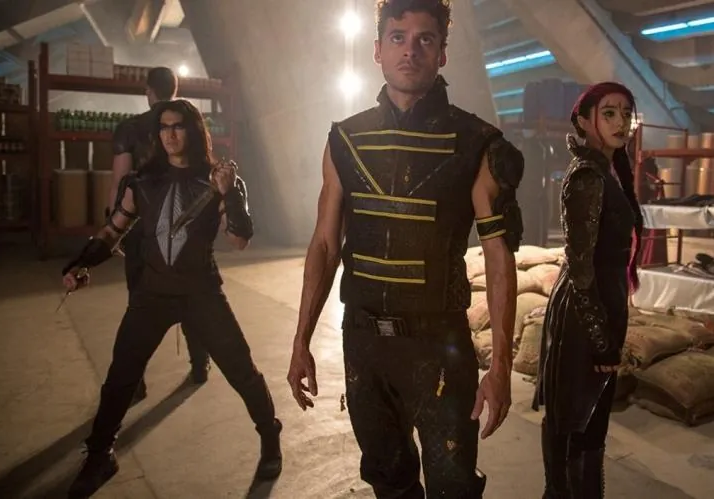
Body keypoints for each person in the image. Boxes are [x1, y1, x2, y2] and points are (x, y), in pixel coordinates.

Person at [286, 1, 524, 497]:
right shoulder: (345, 140)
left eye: (425, 39)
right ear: (377, 50)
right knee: (388, 481)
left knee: (453, 487)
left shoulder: (478, 143)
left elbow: (499, 259)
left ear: (442, 54)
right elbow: (326, 244)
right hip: (364, 344)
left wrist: (501, 367)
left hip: (440, 348)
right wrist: (301, 339)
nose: (409, 51)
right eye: (398, 37)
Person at [63, 99, 282, 498]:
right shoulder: (142, 182)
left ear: (194, 131)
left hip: (202, 293)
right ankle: (99, 456)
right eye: (163, 127)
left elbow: (239, 240)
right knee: (121, 376)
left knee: (242, 371)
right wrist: (82, 262)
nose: (170, 134)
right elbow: (112, 231)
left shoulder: (218, 180)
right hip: (152, 294)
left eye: (178, 126)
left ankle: (270, 437)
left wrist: (229, 194)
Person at [532, 82, 643, 498]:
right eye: (609, 113)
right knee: (576, 427)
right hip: (583, 316)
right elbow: (581, 269)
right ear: (584, 121)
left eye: (626, 113)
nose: (621, 122)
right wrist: (600, 341)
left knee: (589, 427)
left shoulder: (607, 172)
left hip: (601, 307)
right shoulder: (586, 177)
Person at [109, 67, 211, 400]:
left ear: (148, 91)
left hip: (142, 229)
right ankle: (199, 365)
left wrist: (115, 227)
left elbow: (121, 181)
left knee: (139, 306)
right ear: (174, 90)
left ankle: (135, 382)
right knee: (192, 296)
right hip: (184, 225)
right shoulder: (187, 125)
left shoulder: (129, 129)